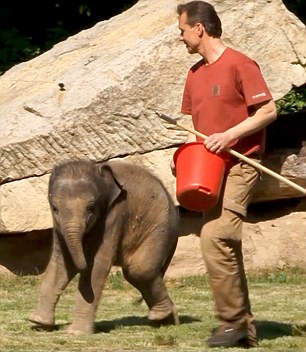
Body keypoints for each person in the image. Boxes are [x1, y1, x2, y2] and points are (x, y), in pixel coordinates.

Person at [173, 1, 277, 348]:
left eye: (183, 31)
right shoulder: (194, 74)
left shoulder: (240, 64)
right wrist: (185, 155)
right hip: (208, 170)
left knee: (216, 238)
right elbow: (194, 129)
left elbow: (268, 110)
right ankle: (242, 328)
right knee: (221, 242)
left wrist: (231, 134)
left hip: (241, 163)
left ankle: (231, 323)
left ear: (199, 28)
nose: (181, 38)